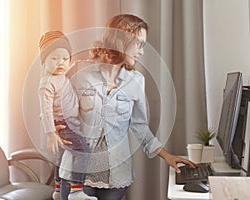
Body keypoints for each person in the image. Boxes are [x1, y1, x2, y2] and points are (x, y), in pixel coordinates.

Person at [56, 14, 196, 200]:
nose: (141, 52)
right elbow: (51, 100)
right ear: (121, 41)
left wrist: (166, 155)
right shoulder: (79, 71)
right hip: (77, 175)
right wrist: (53, 129)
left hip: (115, 176)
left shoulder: (137, 81)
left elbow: (140, 126)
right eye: (138, 44)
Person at [38, 31, 98, 200]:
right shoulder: (47, 83)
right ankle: (77, 190)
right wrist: (50, 134)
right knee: (83, 151)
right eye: (54, 58)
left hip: (70, 121)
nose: (60, 63)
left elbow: (70, 64)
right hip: (65, 124)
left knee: (62, 155)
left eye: (65, 58)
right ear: (44, 62)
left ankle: (57, 189)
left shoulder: (60, 74)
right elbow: (45, 109)